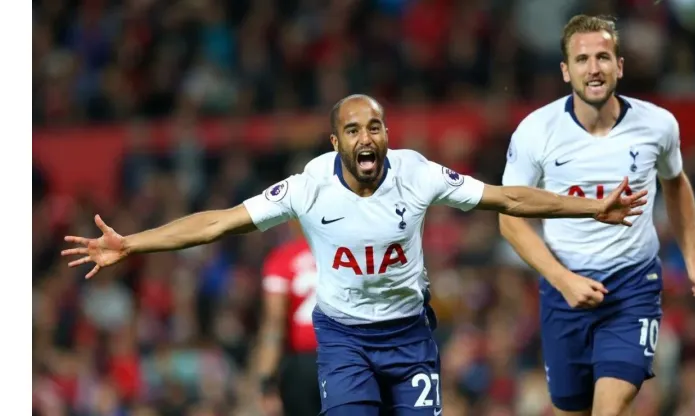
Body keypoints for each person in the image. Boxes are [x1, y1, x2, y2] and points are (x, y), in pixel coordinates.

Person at [62, 94, 647, 416]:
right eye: (353, 129)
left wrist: (590, 207)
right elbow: (218, 223)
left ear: (386, 134)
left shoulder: (417, 173)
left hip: (411, 337)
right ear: (334, 140)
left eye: (375, 126)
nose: (366, 138)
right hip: (343, 339)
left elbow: (509, 196)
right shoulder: (309, 186)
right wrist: (132, 243)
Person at [498, 15, 695, 416]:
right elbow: (509, 218)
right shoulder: (536, 131)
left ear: (620, 65)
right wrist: (563, 280)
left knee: (609, 408)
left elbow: (676, 183)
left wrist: (693, 259)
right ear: (565, 70)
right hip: (564, 292)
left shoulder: (657, 125)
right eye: (581, 59)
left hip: (633, 286)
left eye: (603, 57)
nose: (593, 68)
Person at [249, 221, 321, 416]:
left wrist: (266, 380)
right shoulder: (344, 252)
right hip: (345, 358)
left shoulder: (282, 258)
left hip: (301, 365)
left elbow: (274, 323)